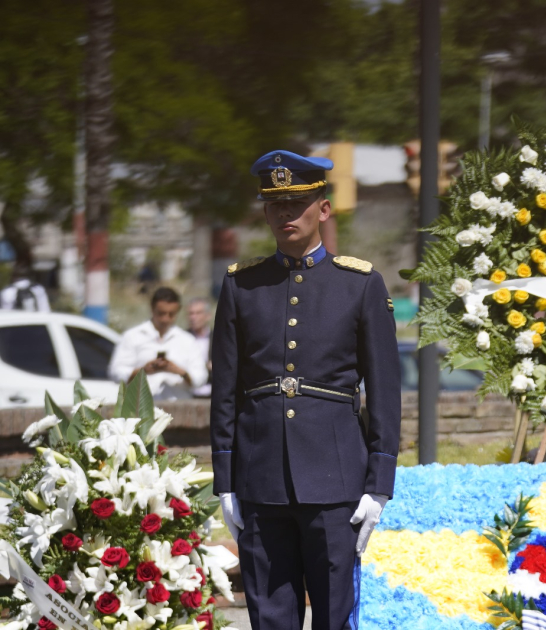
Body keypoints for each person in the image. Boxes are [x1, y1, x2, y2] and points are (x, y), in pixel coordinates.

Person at [210, 150, 400, 630]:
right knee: (269, 612)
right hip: (260, 474)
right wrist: (226, 478)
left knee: (334, 611)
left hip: (335, 478)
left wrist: (379, 483)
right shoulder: (242, 286)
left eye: (296, 203)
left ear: (323, 209)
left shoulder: (359, 285)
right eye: (275, 205)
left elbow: (384, 389)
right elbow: (226, 389)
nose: (284, 214)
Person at [108, 287, 209, 401]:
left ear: (178, 310)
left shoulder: (187, 340)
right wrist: (143, 371)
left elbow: (200, 378)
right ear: (152, 309)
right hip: (141, 409)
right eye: (161, 313)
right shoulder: (132, 336)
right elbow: (116, 373)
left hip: (179, 409)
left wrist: (178, 371)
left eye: (171, 314)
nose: (165, 319)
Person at [187, 297, 213, 397]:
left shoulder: (218, 337)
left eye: (198, 313)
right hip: (189, 393)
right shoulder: (182, 338)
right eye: (191, 313)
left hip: (212, 392)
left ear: (208, 316)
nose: (193, 317)